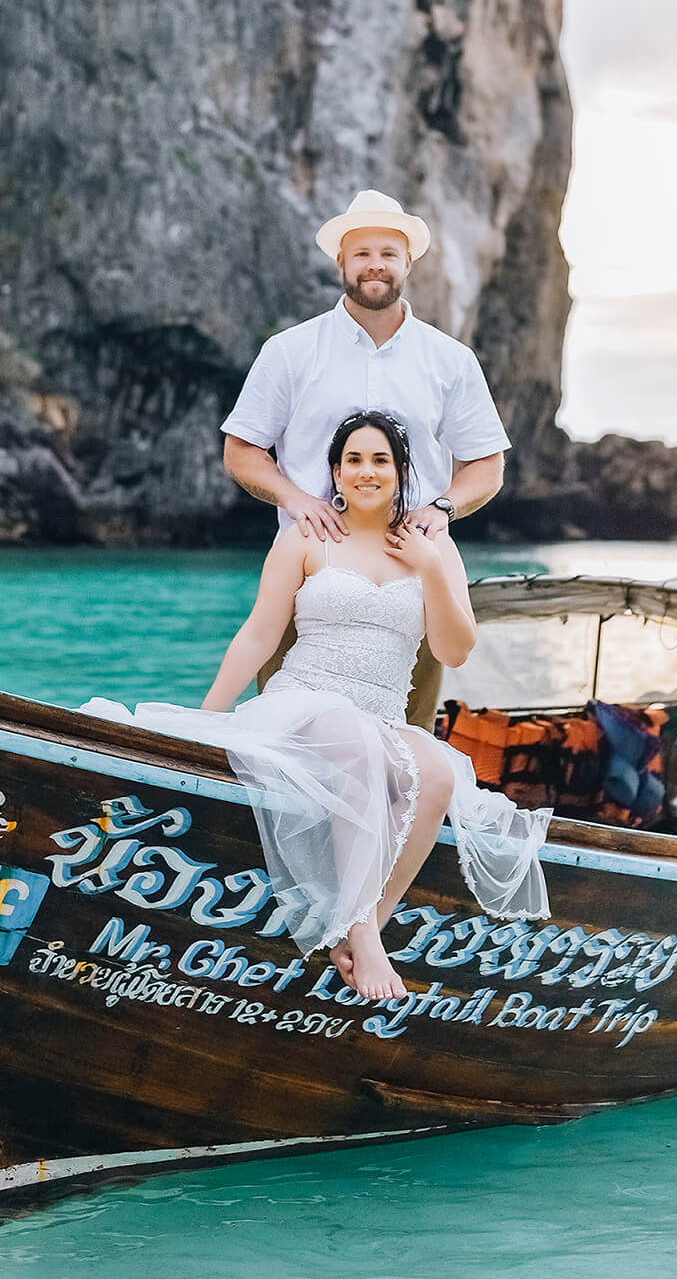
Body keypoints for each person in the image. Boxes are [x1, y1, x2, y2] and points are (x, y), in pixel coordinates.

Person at [130, 412, 550, 1003]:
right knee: (354, 742)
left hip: (380, 713)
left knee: (433, 774)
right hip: (306, 701)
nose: (366, 471)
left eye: (380, 460)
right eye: (353, 460)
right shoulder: (307, 534)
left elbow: (455, 649)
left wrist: (431, 568)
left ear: (402, 472)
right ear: (335, 471)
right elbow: (257, 634)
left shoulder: (434, 547)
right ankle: (363, 938)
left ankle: (363, 931)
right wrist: (209, 715)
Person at [221, 190, 512, 728]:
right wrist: (296, 498)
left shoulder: (451, 360)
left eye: (388, 252)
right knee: (284, 748)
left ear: (408, 263)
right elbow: (241, 450)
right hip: (310, 575)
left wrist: (443, 507)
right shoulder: (289, 351)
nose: (375, 264)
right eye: (362, 253)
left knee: (404, 751)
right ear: (342, 264)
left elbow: (487, 465)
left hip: (412, 580)